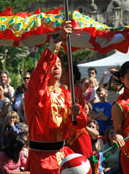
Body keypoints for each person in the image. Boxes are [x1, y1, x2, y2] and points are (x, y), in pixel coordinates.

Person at [25, 21, 87, 174]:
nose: (57, 66)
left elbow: (80, 124)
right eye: (54, 63)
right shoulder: (37, 92)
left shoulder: (67, 94)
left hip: (63, 157)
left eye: (59, 63)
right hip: (42, 159)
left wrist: (77, 113)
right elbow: (41, 71)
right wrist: (59, 39)